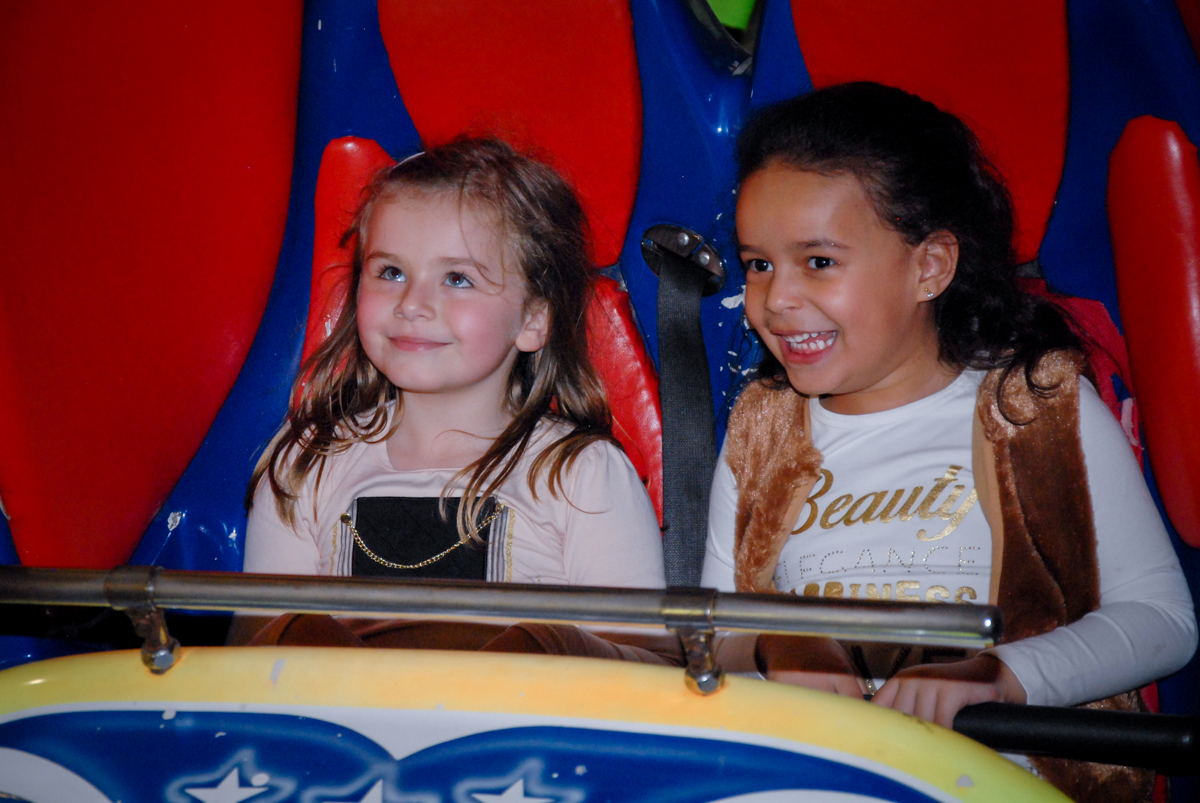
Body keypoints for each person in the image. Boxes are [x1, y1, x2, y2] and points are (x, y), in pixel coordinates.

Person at [701, 82, 1196, 799]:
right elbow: (713, 630)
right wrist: (780, 641)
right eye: (759, 264)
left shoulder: (1035, 406)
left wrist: (1000, 674)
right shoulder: (761, 428)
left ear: (930, 266)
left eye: (819, 262)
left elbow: (1162, 619)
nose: (776, 300)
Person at [243, 137, 664, 599]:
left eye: (457, 279)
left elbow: (633, 642)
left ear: (533, 319)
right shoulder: (306, 466)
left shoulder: (581, 476)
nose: (412, 304)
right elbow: (266, 640)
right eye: (391, 272)